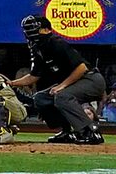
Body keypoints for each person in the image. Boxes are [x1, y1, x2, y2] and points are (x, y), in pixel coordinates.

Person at [14, 13, 106, 143]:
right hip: (75, 83)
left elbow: (81, 68)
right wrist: (11, 83)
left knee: (62, 96)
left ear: (47, 29)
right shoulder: (38, 49)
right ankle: (67, 132)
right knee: (41, 98)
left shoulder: (56, 43)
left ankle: (91, 132)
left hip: (91, 80)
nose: (30, 33)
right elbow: (33, 77)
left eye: (34, 29)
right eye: (28, 30)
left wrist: (61, 86)